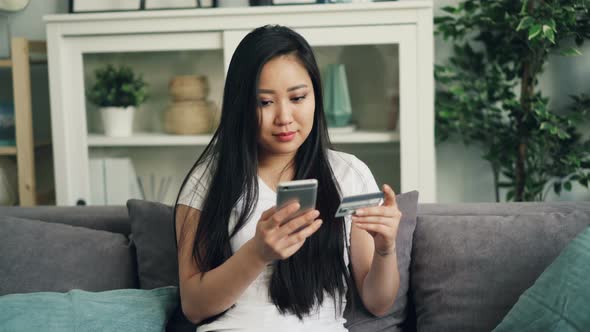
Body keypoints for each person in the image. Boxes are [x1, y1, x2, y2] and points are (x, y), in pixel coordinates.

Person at [174, 25, 403, 332]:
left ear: (315, 97)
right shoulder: (207, 180)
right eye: (265, 102)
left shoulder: (349, 174)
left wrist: (386, 249)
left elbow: (378, 302)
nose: (284, 117)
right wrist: (258, 252)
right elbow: (193, 307)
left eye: (297, 98)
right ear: (241, 104)